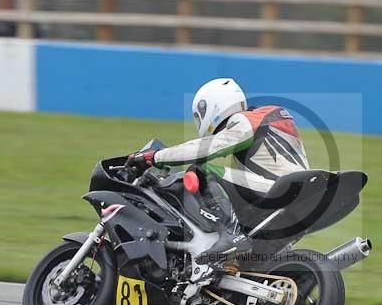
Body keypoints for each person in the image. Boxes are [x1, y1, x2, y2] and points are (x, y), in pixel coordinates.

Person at [127, 78, 310, 265]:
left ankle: (231, 233)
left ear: (212, 106)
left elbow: (205, 149)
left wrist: (155, 157)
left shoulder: (245, 119)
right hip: (297, 198)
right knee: (247, 262)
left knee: (201, 171)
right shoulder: (269, 117)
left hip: (277, 189)